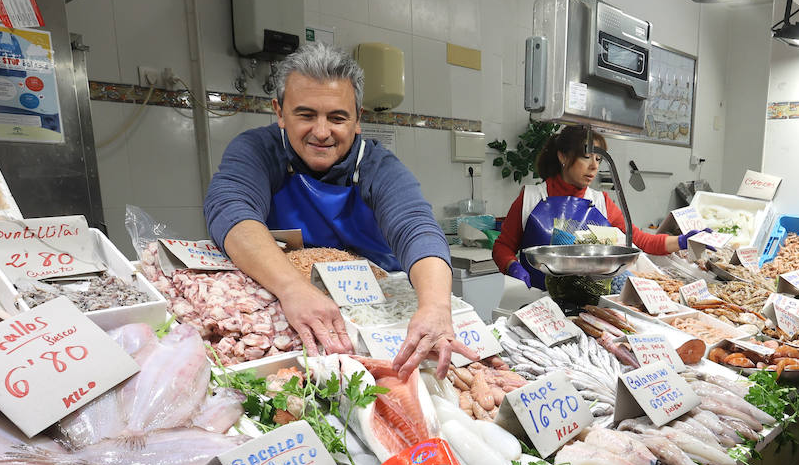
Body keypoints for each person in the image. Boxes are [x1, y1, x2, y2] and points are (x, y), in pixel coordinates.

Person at [203, 43, 474, 378]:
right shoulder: (258, 150)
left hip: (375, 311)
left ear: (358, 119)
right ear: (279, 112)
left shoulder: (378, 165)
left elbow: (416, 228)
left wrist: (435, 306)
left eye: (337, 118)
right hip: (287, 302)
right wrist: (292, 288)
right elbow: (230, 209)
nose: (321, 132)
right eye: (305, 115)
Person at [492, 125, 708, 288]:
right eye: (586, 157)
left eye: (598, 159)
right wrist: (513, 267)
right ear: (563, 156)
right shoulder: (530, 198)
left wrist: (683, 241)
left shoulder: (601, 202)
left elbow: (641, 240)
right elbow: (502, 247)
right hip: (536, 301)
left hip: (589, 305)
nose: (594, 166)